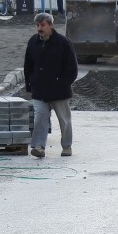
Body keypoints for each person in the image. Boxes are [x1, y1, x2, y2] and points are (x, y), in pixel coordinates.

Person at [23, 11, 78, 158]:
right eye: (37, 25)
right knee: (40, 118)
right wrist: (30, 84)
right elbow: (28, 66)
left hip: (59, 90)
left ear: (51, 25)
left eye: (43, 25)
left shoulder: (63, 43)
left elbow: (72, 68)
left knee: (64, 119)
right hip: (39, 89)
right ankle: (39, 147)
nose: (40, 28)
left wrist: (62, 82)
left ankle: (67, 146)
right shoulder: (33, 42)